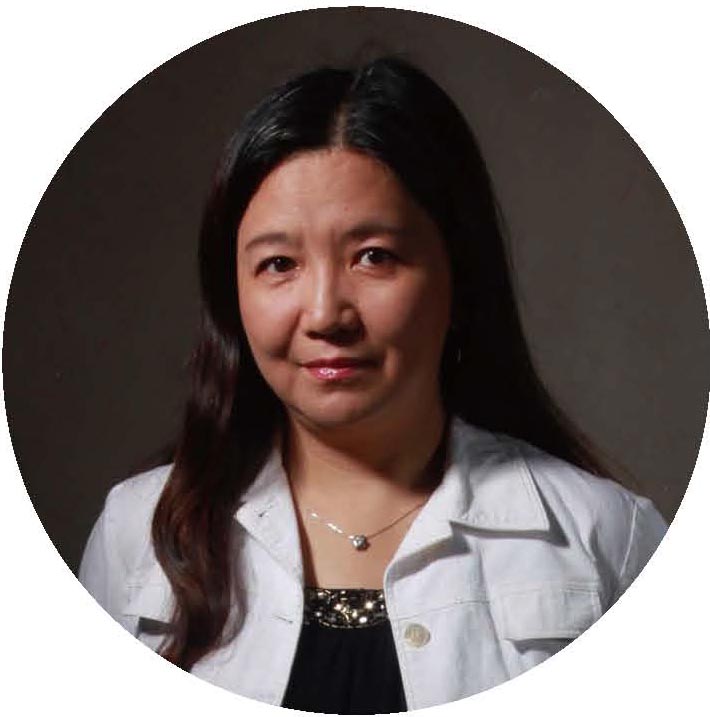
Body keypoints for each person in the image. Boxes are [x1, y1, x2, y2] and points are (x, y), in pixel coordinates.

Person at [79, 56, 667, 713]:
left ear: (458, 274)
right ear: (232, 295)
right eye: (279, 264)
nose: (325, 314)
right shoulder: (138, 533)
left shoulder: (608, 539)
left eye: (374, 257)